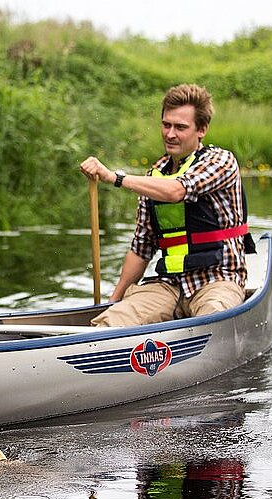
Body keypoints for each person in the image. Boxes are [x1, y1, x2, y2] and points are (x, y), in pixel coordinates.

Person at [79, 83, 254, 327]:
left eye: (180, 127)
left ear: (201, 129)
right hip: (169, 286)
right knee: (110, 321)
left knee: (210, 320)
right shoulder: (153, 176)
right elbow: (142, 248)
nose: (170, 134)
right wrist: (113, 300)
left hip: (217, 282)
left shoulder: (221, 161)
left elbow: (177, 190)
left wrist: (114, 178)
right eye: (166, 125)